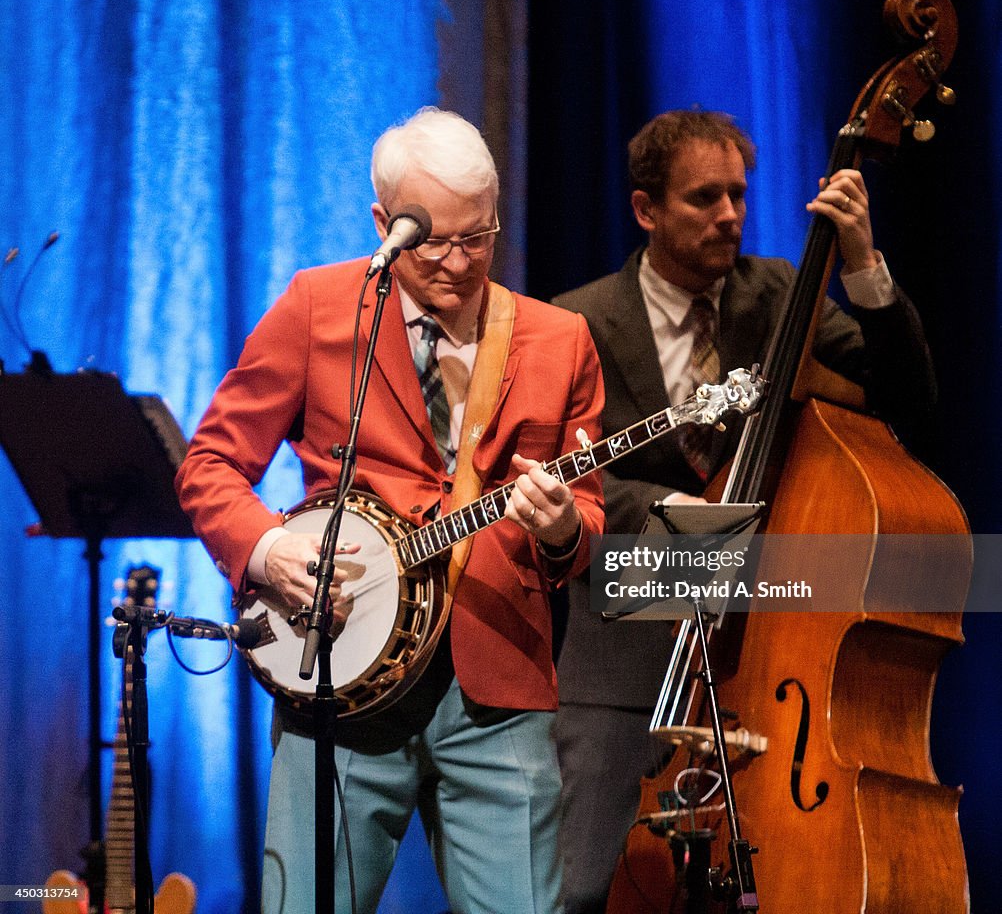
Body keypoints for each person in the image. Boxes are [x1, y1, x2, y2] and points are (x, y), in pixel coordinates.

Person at [175, 107, 605, 914]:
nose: (456, 261)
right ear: (384, 222)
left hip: (496, 691)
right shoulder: (319, 309)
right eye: (432, 239)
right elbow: (211, 464)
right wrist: (270, 553)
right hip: (338, 675)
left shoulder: (559, 339)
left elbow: (585, 516)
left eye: (477, 237)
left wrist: (561, 530)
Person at [550, 108, 936, 913]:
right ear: (645, 209)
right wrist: (685, 515)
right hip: (626, 637)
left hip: (760, 654)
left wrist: (862, 264)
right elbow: (567, 476)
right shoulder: (576, 320)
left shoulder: (782, 295)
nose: (729, 215)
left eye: (737, 195)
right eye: (703, 199)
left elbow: (910, 396)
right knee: (585, 889)